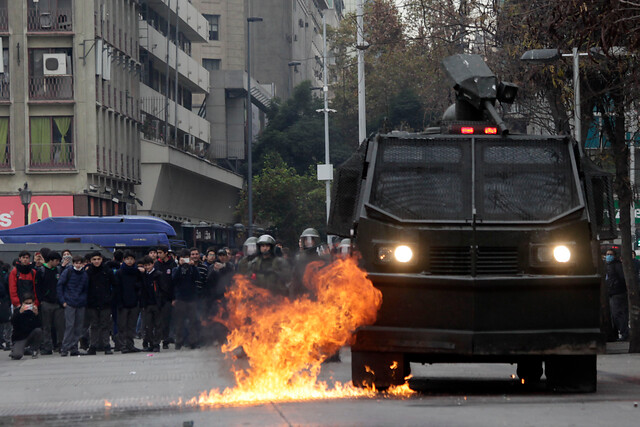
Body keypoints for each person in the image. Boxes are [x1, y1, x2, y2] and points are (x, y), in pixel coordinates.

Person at [57, 255, 89, 357]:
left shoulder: (84, 274)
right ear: (73, 263)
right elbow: (60, 286)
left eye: (80, 263)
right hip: (69, 302)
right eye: (76, 263)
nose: (78, 265)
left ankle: (74, 347)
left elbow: (86, 289)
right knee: (69, 326)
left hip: (80, 303)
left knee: (78, 327)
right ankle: (65, 348)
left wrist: (83, 299)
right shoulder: (68, 272)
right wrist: (63, 301)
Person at [85, 252, 116, 354]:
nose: (96, 261)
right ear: (91, 261)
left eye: (98, 259)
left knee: (105, 325)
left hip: (105, 302)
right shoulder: (88, 272)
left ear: (102, 259)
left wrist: (110, 298)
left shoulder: (107, 271)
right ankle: (93, 346)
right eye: (94, 259)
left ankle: (106, 345)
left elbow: (115, 285)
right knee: (94, 325)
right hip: (92, 303)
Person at [35, 251, 64, 355]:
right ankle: (47, 346)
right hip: (46, 302)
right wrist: (41, 300)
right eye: (56, 261)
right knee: (46, 326)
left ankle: (61, 345)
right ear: (51, 260)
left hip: (58, 302)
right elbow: (38, 287)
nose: (58, 263)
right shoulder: (41, 271)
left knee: (60, 326)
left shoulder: (59, 270)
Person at [114, 251, 143, 353]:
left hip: (134, 302)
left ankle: (130, 345)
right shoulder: (119, 272)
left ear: (134, 260)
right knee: (122, 326)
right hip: (122, 303)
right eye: (127, 259)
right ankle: (122, 346)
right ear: (124, 260)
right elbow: (117, 289)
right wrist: (119, 302)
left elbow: (141, 286)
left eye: (131, 259)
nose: (129, 261)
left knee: (131, 326)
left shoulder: (137, 272)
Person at [172, 249, 200, 349]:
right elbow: (174, 280)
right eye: (184, 258)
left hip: (191, 298)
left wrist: (193, 266)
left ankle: (193, 342)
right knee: (179, 322)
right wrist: (180, 266)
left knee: (193, 322)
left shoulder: (192, 268)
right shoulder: (176, 269)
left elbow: (198, 277)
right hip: (180, 299)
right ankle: (178, 342)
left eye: (187, 258)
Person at [290, 228, 331, 298]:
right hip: (302, 300)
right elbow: (294, 284)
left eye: (311, 239)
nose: (308, 242)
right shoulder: (299, 261)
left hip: (318, 298)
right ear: (303, 241)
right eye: (306, 239)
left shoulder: (322, 262)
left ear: (315, 241)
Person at [140, 256, 164, 352]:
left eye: (149, 265)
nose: (147, 267)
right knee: (148, 326)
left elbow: (163, 289)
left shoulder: (158, 275)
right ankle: (150, 343)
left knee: (158, 325)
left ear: (152, 264)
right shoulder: (143, 275)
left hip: (156, 303)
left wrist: (161, 301)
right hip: (147, 304)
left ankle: (156, 344)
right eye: (145, 265)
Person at [605, 248, 629, 341]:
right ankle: (620, 333)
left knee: (618, 314)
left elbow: (622, 278)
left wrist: (616, 286)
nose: (608, 256)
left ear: (614, 256)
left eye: (610, 254)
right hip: (612, 292)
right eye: (607, 254)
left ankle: (624, 333)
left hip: (618, 292)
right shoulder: (608, 265)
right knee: (615, 314)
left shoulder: (617, 265)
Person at [9, 293, 42, 360]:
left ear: (33, 303)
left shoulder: (34, 311)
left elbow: (40, 325)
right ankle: (15, 350)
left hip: (30, 336)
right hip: (20, 338)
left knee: (38, 331)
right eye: (26, 303)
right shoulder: (17, 311)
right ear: (23, 303)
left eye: (30, 303)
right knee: (17, 355)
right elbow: (13, 323)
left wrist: (36, 315)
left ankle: (33, 350)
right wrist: (19, 313)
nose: (28, 305)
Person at [154, 245, 175, 349]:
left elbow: (175, 282)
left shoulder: (172, 264)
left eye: (160, 253)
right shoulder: (157, 264)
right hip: (158, 296)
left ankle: (166, 340)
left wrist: (174, 297)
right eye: (157, 253)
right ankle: (157, 341)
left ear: (166, 253)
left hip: (168, 297)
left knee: (166, 320)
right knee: (158, 320)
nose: (158, 255)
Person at [0, 260, 12, 351]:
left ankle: (5, 341)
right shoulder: (5, 275)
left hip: (4, 300)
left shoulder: (3, 275)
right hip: (5, 300)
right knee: (6, 322)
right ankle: (7, 341)